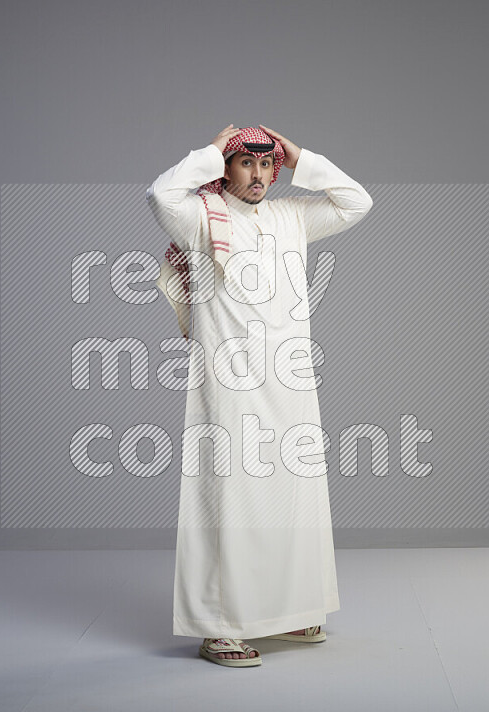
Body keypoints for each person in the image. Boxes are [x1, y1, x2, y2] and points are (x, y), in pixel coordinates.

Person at [146, 124, 373, 667]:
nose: (259, 175)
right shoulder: (203, 219)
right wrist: (209, 149)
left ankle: (288, 612)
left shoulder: (290, 216)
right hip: (230, 385)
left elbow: (356, 202)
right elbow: (160, 194)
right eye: (246, 164)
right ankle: (220, 627)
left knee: (293, 495)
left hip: (289, 381)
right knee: (231, 499)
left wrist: (301, 157)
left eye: (268, 165)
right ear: (226, 169)